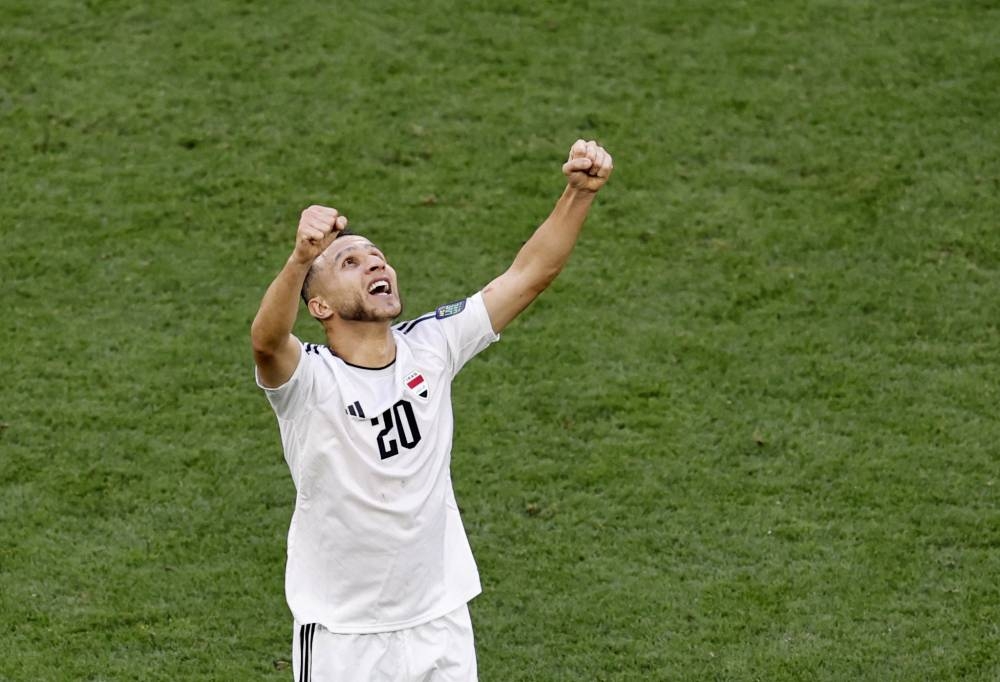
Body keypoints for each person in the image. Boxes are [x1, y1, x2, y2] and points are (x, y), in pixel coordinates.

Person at [251, 139, 613, 681]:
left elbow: (528, 274)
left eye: (376, 255)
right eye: (350, 261)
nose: (375, 262)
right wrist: (301, 257)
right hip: (343, 636)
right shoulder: (309, 381)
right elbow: (266, 342)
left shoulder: (431, 345)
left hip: (439, 619)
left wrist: (579, 193)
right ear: (319, 305)